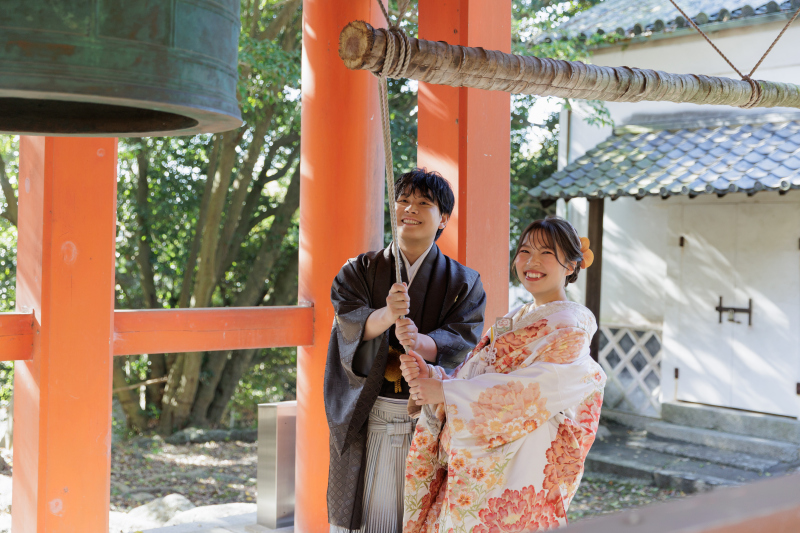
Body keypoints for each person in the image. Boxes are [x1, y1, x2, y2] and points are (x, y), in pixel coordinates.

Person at [399, 215, 607, 533]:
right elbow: (477, 369)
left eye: (546, 253)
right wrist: (436, 376)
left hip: (524, 454)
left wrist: (446, 394)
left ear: (571, 265)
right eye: (524, 251)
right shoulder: (520, 315)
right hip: (482, 450)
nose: (531, 261)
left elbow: (537, 388)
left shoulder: (570, 326)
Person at [325, 168, 487, 533]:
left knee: (419, 516)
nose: (410, 209)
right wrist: (387, 314)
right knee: (364, 514)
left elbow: (463, 338)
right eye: (403, 201)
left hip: (427, 419)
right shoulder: (359, 270)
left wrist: (423, 341)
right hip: (369, 413)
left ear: (443, 218)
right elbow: (347, 321)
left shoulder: (464, 281)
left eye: (423, 203)